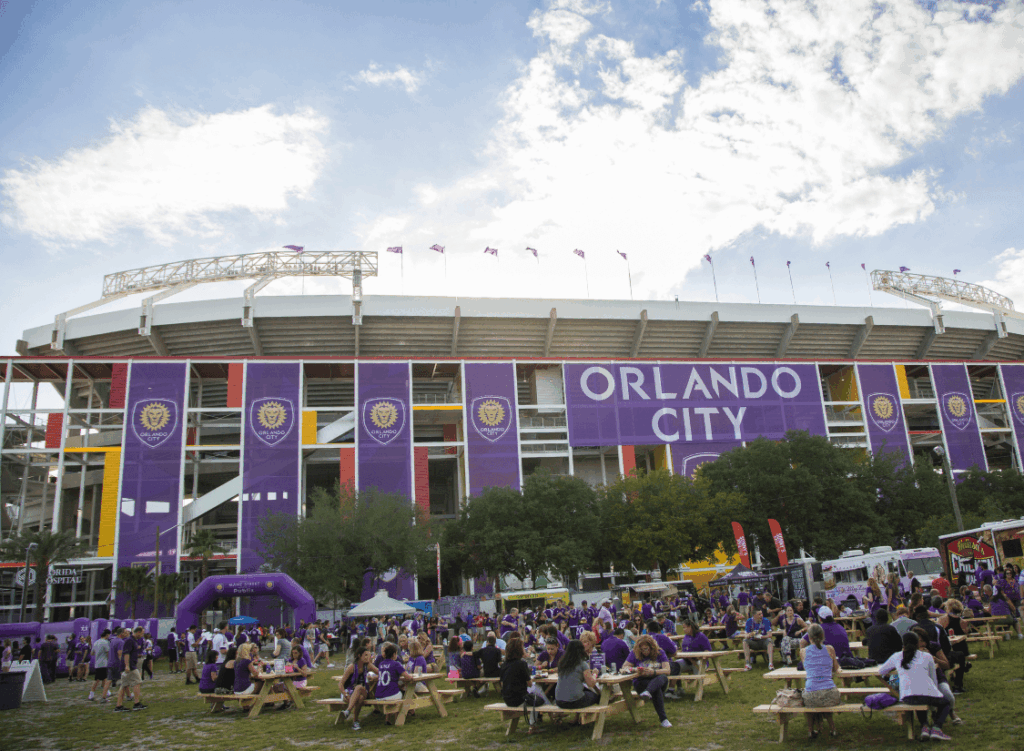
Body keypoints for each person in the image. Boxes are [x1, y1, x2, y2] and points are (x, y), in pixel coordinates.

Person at [877, 632, 952, 742]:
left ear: (903, 644)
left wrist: (895, 670)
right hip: (927, 692)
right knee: (945, 703)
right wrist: (936, 692)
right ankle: (937, 728)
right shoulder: (927, 656)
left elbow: (881, 671)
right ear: (918, 643)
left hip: (907, 696)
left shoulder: (897, 656)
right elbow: (933, 678)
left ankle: (925, 727)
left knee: (917, 699)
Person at [801, 623, 841, 739]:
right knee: (825, 698)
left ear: (809, 637)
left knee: (808, 700)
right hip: (830, 693)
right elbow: (836, 668)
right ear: (823, 635)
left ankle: (810, 730)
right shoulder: (830, 649)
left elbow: (807, 668)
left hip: (811, 694)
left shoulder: (803, 651)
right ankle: (832, 728)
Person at [624, 635, 672, 728]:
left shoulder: (660, 652)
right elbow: (624, 667)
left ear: (652, 647)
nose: (644, 652)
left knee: (663, 677)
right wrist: (635, 669)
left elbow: (667, 670)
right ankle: (664, 719)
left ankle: (648, 692)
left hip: (656, 679)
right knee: (656, 689)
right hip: (641, 682)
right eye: (642, 650)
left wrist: (653, 672)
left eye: (646, 649)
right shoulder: (634, 653)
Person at [500, 639, 546, 734]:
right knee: (537, 696)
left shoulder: (504, 665)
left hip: (507, 699)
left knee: (534, 694)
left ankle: (537, 722)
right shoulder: (521, 664)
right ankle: (532, 726)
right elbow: (529, 684)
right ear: (519, 650)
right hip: (520, 699)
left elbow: (502, 684)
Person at [555, 639, 600, 712]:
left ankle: (578, 717)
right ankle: (592, 716)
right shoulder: (582, 663)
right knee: (596, 696)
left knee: (582, 691)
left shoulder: (562, 663)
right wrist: (595, 674)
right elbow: (591, 683)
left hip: (559, 701)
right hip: (574, 702)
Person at [375, 643, 414, 725]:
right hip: (390, 695)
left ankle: (388, 719)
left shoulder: (381, 664)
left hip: (378, 695)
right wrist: (411, 677)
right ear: (394, 654)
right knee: (400, 694)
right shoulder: (396, 664)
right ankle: (397, 718)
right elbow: (407, 677)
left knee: (393, 692)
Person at [338, 646, 373, 730]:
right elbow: (340, 684)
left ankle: (348, 711)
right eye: (365, 655)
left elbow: (380, 672)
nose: (368, 657)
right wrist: (345, 694)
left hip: (363, 691)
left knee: (359, 687)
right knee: (360, 698)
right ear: (359, 656)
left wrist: (374, 678)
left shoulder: (368, 666)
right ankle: (355, 721)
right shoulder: (352, 667)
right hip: (349, 692)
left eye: (369, 655)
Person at [114, 626, 146, 712]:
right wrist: (127, 665)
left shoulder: (133, 640)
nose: (142, 635)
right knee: (138, 682)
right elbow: (126, 653)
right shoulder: (130, 640)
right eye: (142, 633)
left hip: (128, 665)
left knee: (124, 685)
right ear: (138, 632)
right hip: (130, 666)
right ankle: (136, 703)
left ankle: (118, 706)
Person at [88, 630, 112, 702]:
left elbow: (92, 653)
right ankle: (103, 693)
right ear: (107, 635)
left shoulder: (96, 642)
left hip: (97, 663)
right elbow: (108, 653)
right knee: (104, 679)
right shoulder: (106, 642)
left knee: (100, 679)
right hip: (104, 663)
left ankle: (93, 694)